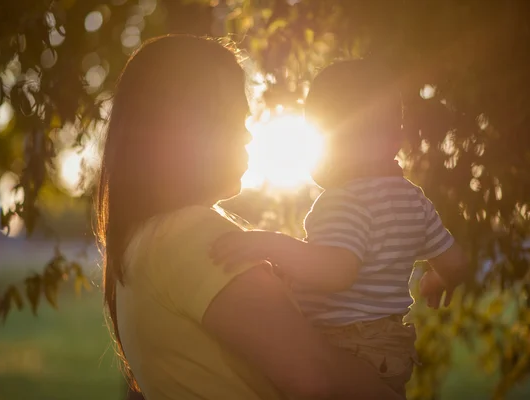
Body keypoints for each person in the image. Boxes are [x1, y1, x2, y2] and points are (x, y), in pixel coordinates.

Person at [96, 36, 401, 400]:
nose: (246, 134)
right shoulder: (190, 234)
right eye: (234, 118)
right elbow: (316, 377)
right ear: (187, 127)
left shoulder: (144, 242)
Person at [211, 59, 470, 398]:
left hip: (347, 345)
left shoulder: (343, 200)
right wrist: (438, 278)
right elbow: (456, 263)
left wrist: (271, 245)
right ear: (396, 139)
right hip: (390, 349)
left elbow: (337, 271)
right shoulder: (413, 200)